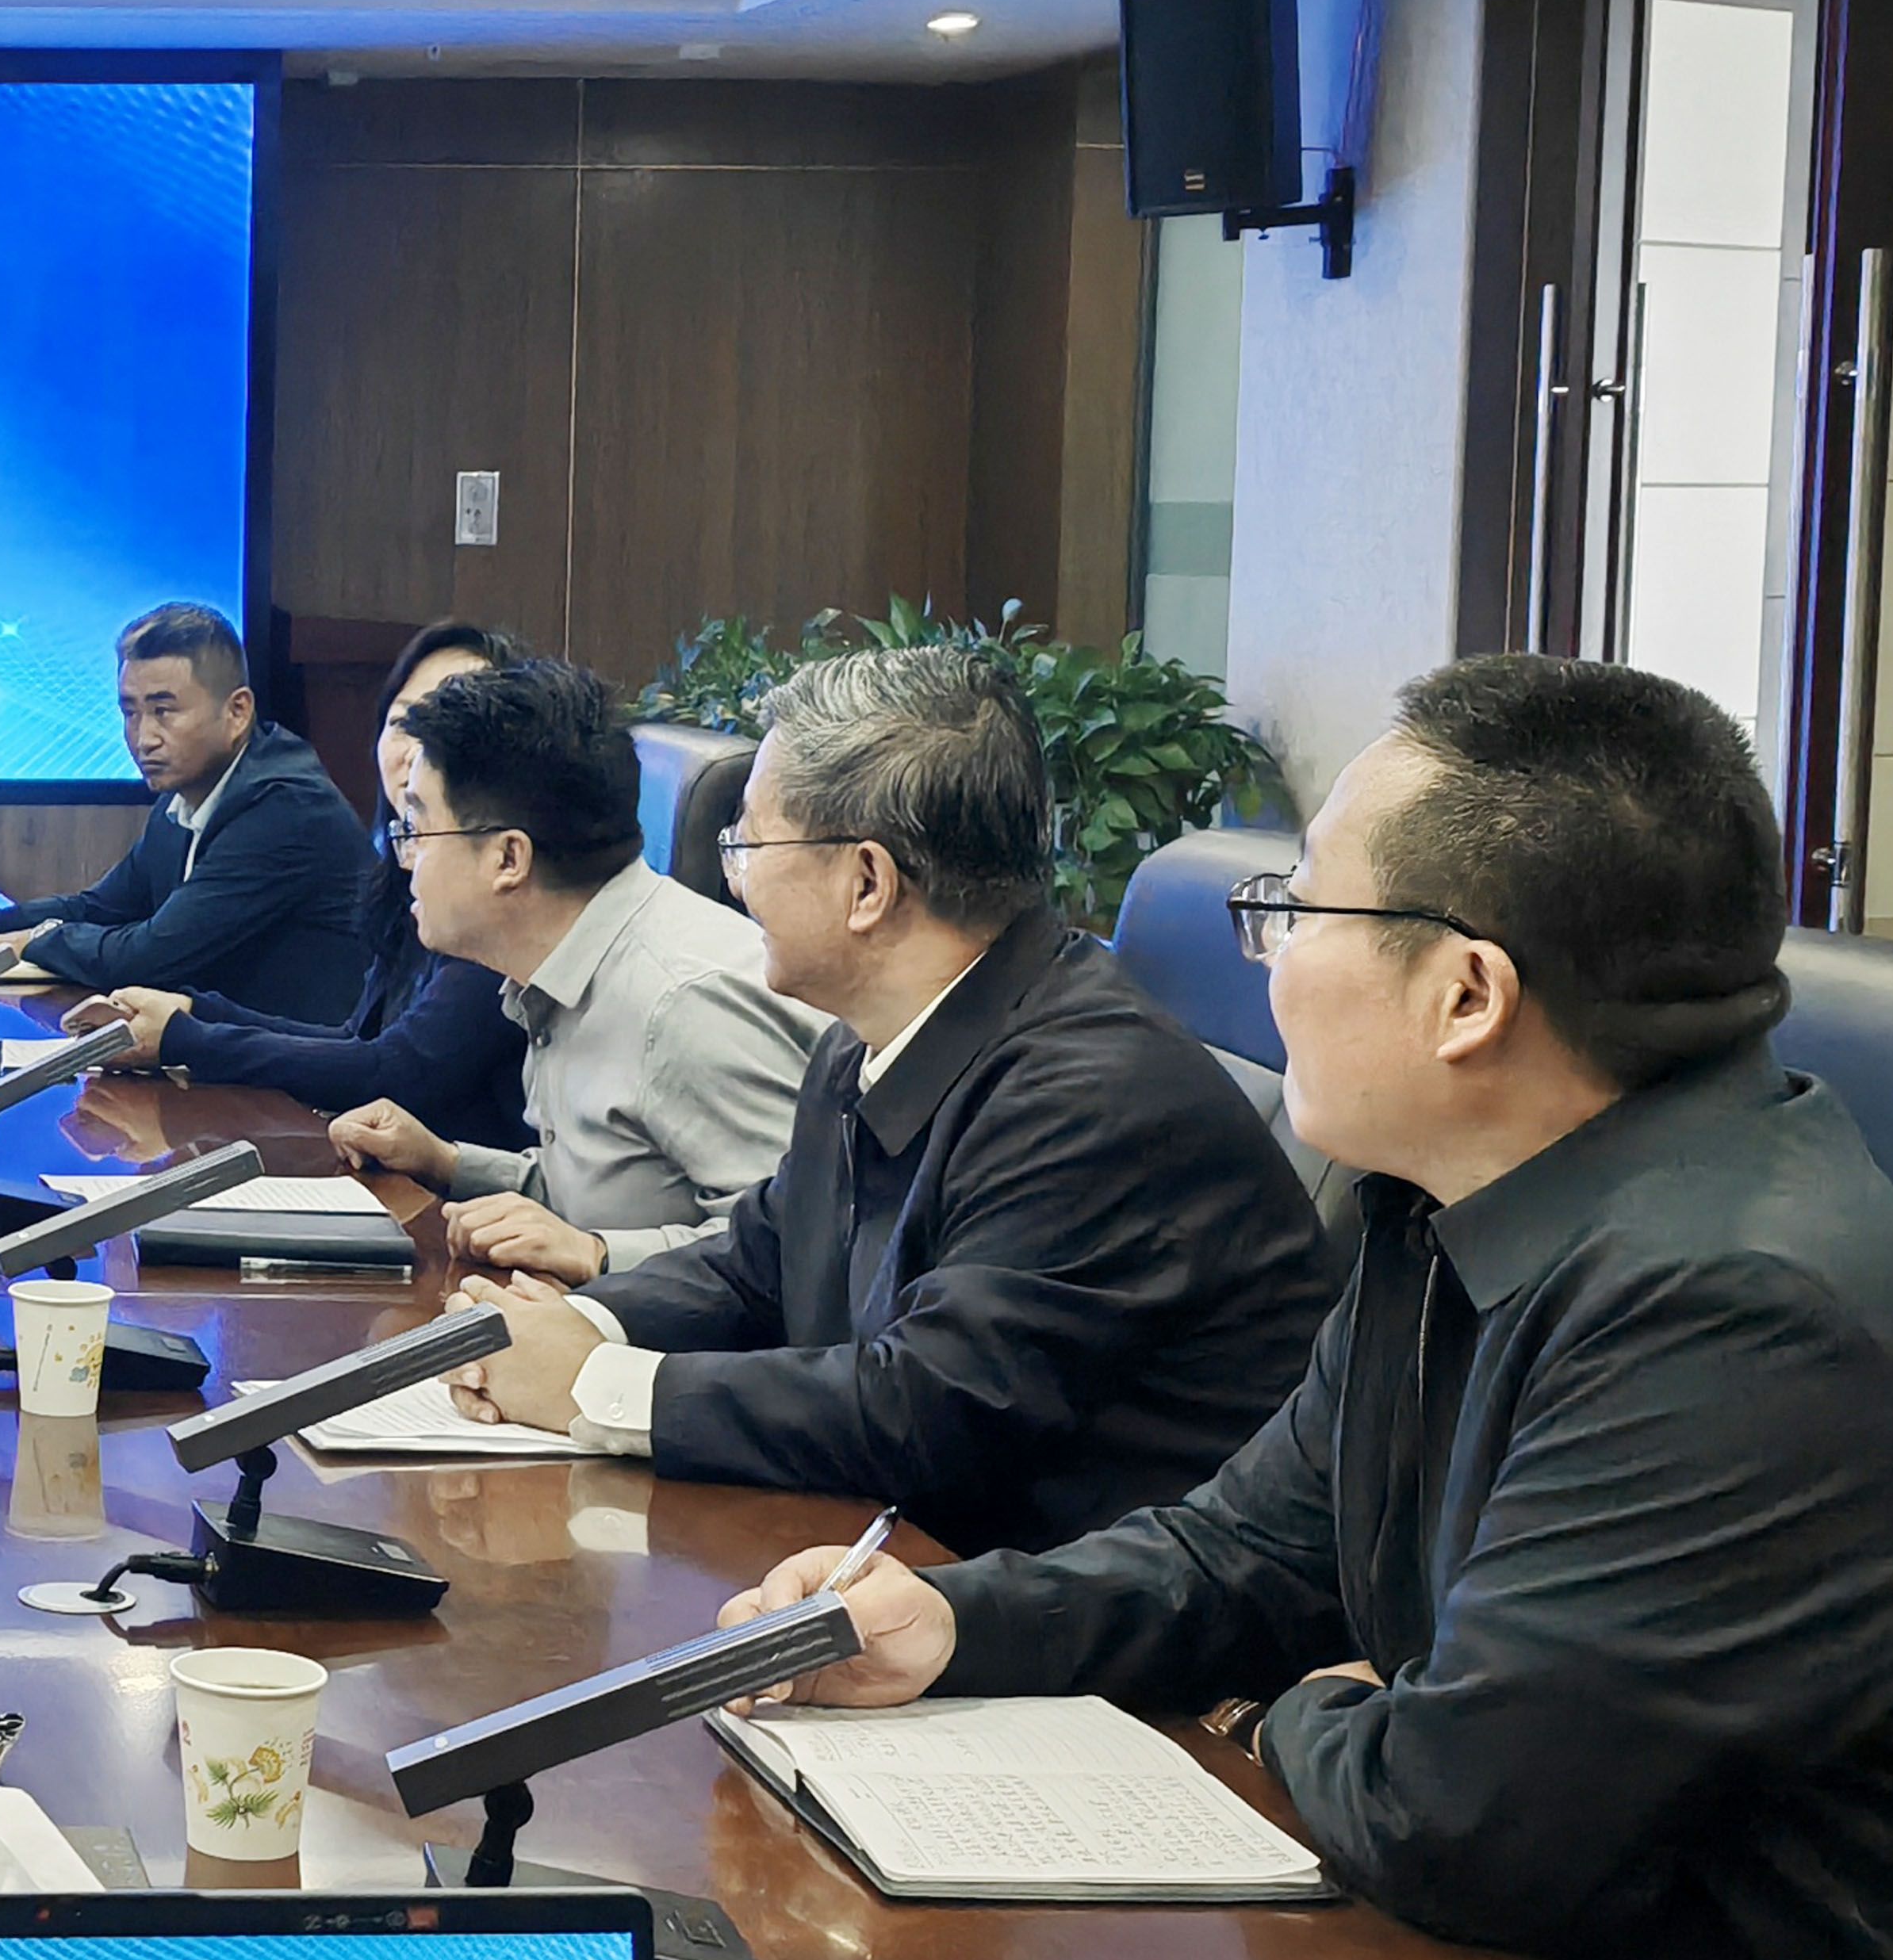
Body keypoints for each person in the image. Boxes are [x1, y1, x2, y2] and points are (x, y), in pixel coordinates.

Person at [711, 657, 1893, 1960]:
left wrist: (1284, 1706)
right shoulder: (1448, 1201)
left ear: (1466, 995)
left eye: (1298, 911)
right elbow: (1246, 1545)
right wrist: (950, 1621)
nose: (1272, 964)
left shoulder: (1739, 1308)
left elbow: (1457, 1820)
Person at [437, 642, 1333, 1555]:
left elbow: (928, 1407)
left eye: (748, 844)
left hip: (1083, 1608)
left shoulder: (1093, 1094)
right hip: (912, 1560)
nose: (733, 878)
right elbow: (759, 1261)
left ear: (867, 883)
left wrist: (597, 1384)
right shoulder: (866, 1037)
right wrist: (572, 1325)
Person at [324, 655, 817, 1270]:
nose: (406, 860)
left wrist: (597, 1253)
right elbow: (616, 1191)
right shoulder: (558, 969)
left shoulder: (684, 1006)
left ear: (509, 859)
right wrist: (447, 1163)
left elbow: (797, 1252)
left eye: (419, 830)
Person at [60, 618, 534, 1147]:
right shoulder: (403, 875)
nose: (416, 753)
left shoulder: (503, 887)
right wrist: (192, 1013)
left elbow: (399, 1070)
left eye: (450, 726)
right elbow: (359, 1036)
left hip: (465, 1193)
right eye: (404, 722)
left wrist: (181, 1038)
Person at [0, 602, 372, 1024]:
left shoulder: (285, 807)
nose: (144, 738)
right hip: (228, 1057)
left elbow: (152, 955)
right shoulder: (183, 797)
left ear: (238, 712)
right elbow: (103, 908)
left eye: (164, 711)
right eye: (130, 712)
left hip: (305, 1080)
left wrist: (32, 941)